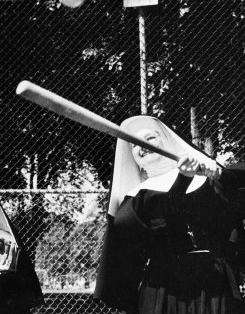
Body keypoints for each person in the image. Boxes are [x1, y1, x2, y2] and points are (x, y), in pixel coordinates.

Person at [94, 115, 245, 313]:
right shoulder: (136, 199)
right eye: (134, 144)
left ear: (167, 141)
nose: (142, 145)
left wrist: (221, 174)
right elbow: (159, 216)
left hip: (215, 285)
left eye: (151, 138)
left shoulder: (206, 181)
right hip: (165, 290)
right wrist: (183, 180)